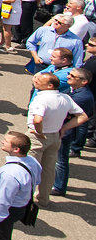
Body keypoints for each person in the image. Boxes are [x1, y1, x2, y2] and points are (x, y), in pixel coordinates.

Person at [26, 71, 88, 204]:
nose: (36, 81)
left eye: (40, 80)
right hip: (55, 136)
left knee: (31, 168)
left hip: (38, 136)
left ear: (49, 85)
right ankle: (43, 199)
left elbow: (37, 120)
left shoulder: (42, 99)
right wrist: (63, 128)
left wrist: (39, 132)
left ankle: (26, 200)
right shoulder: (65, 98)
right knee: (48, 170)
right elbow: (83, 116)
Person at [53, 67, 93, 196]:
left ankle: (59, 187)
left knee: (61, 159)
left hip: (66, 132)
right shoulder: (75, 91)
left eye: (72, 76)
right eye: (69, 74)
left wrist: (63, 129)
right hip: (63, 129)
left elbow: (67, 111)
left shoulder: (82, 97)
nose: (68, 76)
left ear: (84, 82)